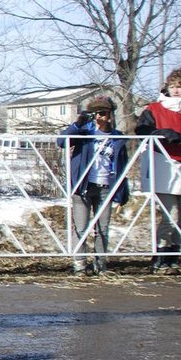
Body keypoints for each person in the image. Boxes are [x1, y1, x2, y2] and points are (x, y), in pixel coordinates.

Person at [57, 94, 129, 276]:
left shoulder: (117, 137)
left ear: (111, 115)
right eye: (95, 113)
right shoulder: (84, 133)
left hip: (106, 185)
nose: (100, 117)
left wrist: (123, 190)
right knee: (81, 227)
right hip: (83, 185)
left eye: (104, 113)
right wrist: (78, 123)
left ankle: (100, 263)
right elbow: (61, 141)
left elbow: (122, 164)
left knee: (102, 228)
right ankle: (80, 264)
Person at [135, 67, 181, 275]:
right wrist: (162, 133)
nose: (177, 91)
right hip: (164, 165)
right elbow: (142, 129)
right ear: (167, 88)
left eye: (180, 87)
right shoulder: (154, 109)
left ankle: (174, 256)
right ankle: (160, 256)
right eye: (173, 87)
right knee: (169, 215)